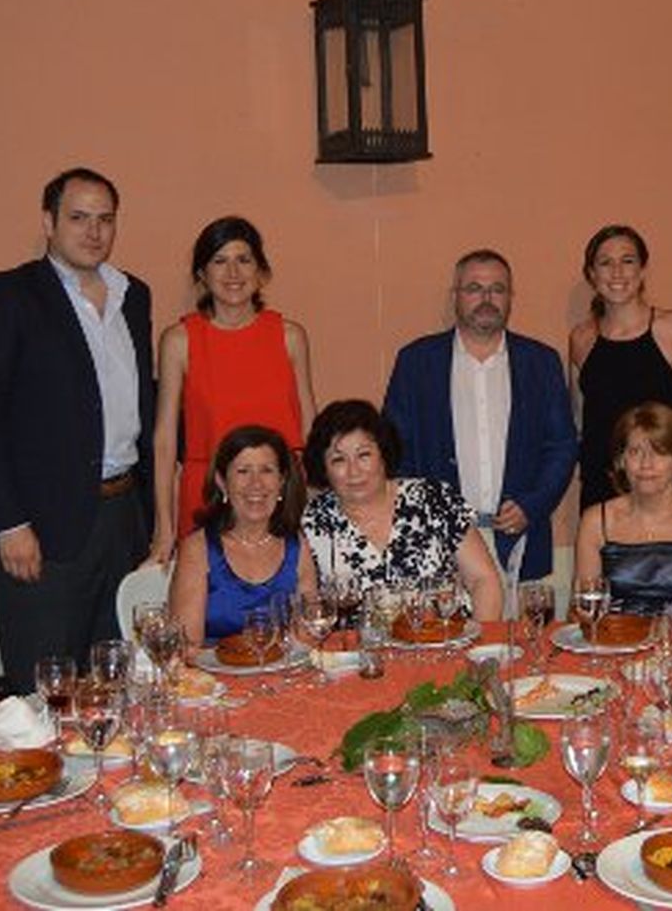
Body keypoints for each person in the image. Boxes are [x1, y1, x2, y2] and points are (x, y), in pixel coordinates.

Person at [0, 166, 155, 690]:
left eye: (105, 219)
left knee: (115, 682)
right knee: (48, 688)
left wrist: (153, 519)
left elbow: (143, 407)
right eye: (78, 217)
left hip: (121, 518)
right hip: (39, 526)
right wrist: (8, 522)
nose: (93, 231)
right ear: (48, 222)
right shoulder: (9, 295)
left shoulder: (133, 297)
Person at [383, 249, 578, 609]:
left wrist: (533, 505)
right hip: (441, 547)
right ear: (455, 295)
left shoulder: (541, 362)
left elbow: (562, 445)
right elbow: (395, 451)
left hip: (519, 537)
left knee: (516, 655)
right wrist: (434, 517)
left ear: (510, 298)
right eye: (474, 288)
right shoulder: (416, 362)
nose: (486, 299)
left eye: (497, 289)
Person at [149, 216, 317, 563]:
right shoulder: (179, 341)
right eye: (219, 261)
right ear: (202, 275)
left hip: (281, 497)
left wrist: (316, 509)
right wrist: (163, 529)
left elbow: (309, 428)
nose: (233, 273)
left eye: (244, 260)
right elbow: (164, 441)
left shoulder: (290, 336)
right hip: (208, 498)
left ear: (261, 272)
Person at [300, 400, 503, 620]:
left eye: (364, 455)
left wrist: (481, 645)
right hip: (355, 652)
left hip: (446, 644)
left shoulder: (433, 498)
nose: (354, 471)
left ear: (383, 455)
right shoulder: (312, 523)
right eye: (338, 459)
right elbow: (307, 607)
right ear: (324, 467)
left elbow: (483, 580)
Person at [569, 224, 672, 509]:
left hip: (668, 491)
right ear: (592, 275)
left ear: (642, 270)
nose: (617, 272)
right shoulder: (580, 339)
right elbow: (580, 422)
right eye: (606, 263)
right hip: (601, 493)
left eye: (628, 261)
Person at [574, 403, 672, 627]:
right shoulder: (595, 521)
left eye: (659, 452)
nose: (645, 464)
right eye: (635, 452)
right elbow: (581, 613)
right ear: (622, 462)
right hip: (612, 651)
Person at [168, 425, 315, 645]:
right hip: (213, 676)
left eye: (267, 470)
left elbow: (307, 635)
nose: (256, 484)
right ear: (222, 482)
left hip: (282, 675)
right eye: (243, 471)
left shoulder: (297, 545)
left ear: (282, 482)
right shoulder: (198, 548)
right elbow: (187, 647)